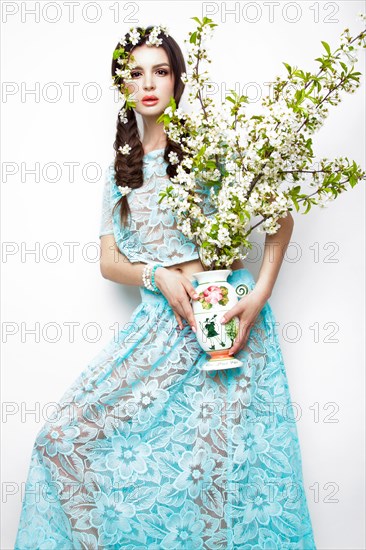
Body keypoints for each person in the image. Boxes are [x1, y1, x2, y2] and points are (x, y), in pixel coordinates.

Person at [14, 25, 317, 549]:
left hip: (223, 326)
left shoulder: (209, 152)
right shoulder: (119, 171)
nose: (149, 82)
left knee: (221, 483)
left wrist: (260, 293)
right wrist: (155, 273)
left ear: (178, 79)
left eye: (161, 70)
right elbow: (110, 262)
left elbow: (280, 220)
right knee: (60, 439)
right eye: (136, 73)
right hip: (158, 328)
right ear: (122, 85)